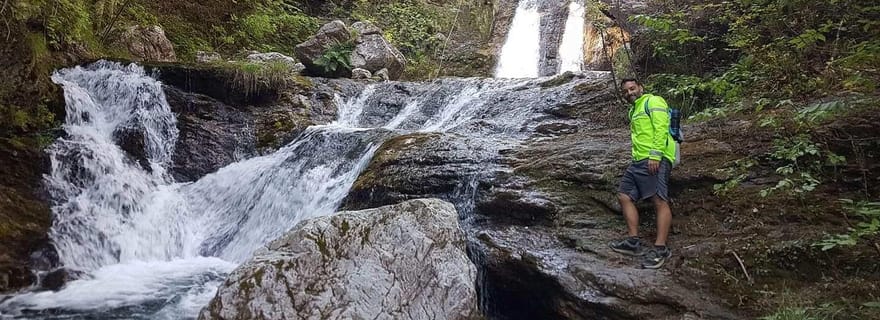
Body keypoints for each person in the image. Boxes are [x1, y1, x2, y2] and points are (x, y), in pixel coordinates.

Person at [609, 78, 679, 269]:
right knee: (624, 196)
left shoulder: (653, 101)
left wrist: (656, 155)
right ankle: (633, 241)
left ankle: (660, 248)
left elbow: (661, 128)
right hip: (638, 161)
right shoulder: (634, 109)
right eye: (625, 91)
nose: (629, 93)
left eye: (632, 88)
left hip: (655, 158)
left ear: (641, 88)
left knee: (659, 201)